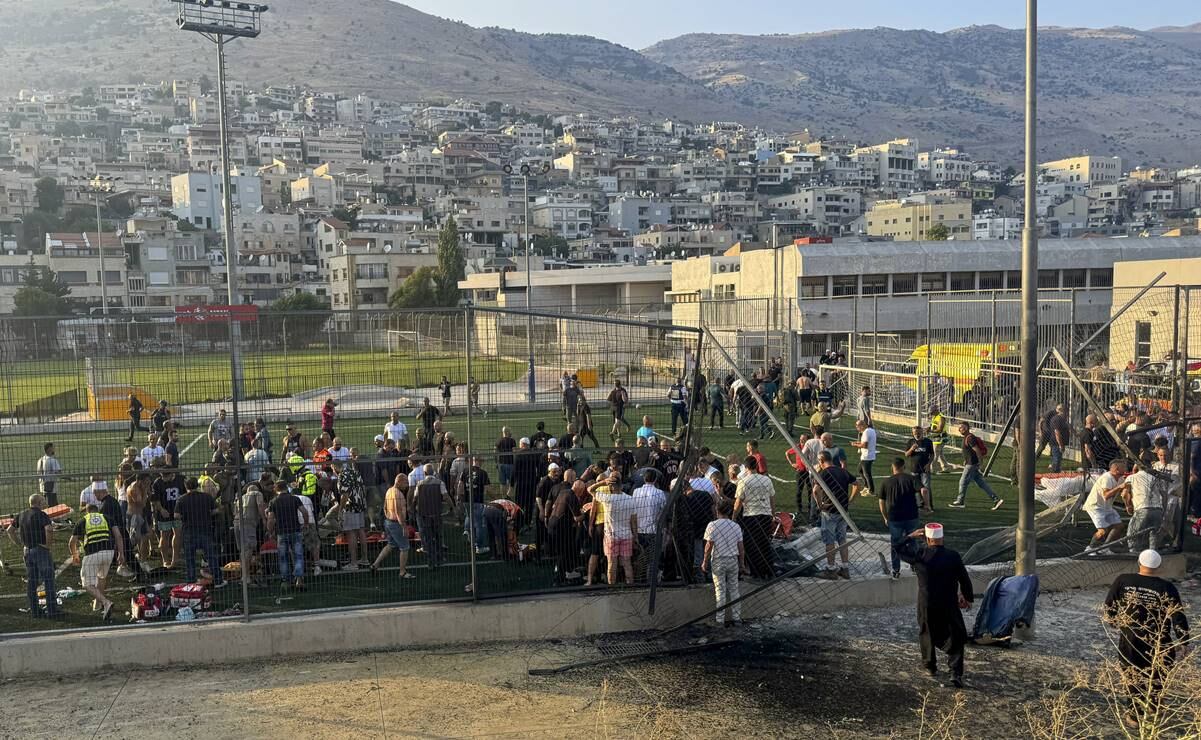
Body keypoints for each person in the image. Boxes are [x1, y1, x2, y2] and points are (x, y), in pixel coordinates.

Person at [1104, 550, 1191, 728]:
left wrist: (1114, 622)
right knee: (1158, 672)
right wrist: (1183, 641)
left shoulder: (1123, 580)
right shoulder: (1167, 587)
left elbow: (1109, 605)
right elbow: (1178, 616)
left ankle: (1135, 715)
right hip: (1159, 639)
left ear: (1139, 562)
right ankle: (1153, 704)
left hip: (1131, 639)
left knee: (1133, 675)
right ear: (1159, 566)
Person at [896, 523, 975, 688]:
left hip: (927, 602)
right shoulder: (953, 556)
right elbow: (964, 578)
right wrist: (967, 597)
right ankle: (955, 672)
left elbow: (898, 548)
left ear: (927, 538)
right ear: (942, 538)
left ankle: (930, 665)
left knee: (927, 632)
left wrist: (910, 536)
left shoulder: (920, 555)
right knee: (956, 634)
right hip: (948, 602)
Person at [6, 494, 60, 619]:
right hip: (40, 549)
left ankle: (35, 610)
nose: (45, 503)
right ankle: (52, 610)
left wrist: (19, 543)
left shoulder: (22, 514)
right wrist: (48, 545)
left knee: (32, 581)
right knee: (48, 580)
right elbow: (49, 529)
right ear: (39, 502)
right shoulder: (41, 514)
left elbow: (10, 530)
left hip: (27, 550)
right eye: (43, 501)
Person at [69, 503, 125, 621]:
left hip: (92, 553)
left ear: (87, 512)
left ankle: (106, 602)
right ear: (98, 511)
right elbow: (119, 536)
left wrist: (75, 556)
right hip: (108, 552)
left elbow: (72, 542)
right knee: (101, 577)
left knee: (86, 584)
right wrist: (121, 554)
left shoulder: (83, 521)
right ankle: (98, 604)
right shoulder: (107, 518)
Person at [880, 457, 931, 579]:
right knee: (913, 541)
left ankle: (896, 570)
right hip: (911, 516)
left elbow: (881, 502)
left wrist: (885, 517)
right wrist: (927, 505)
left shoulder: (886, 482)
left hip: (894, 518)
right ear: (903, 467)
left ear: (893, 467)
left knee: (896, 543)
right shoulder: (911, 479)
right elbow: (924, 490)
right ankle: (914, 565)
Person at [702, 497, 746, 627]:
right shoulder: (736, 526)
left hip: (718, 560)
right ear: (729, 511)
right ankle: (737, 618)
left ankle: (720, 620)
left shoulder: (712, 525)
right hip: (733, 559)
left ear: (717, 510)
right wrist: (742, 563)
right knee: (734, 589)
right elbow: (741, 548)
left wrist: (705, 561)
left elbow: (709, 546)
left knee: (720, 590)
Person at [589, 471, 638, 586]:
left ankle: (612, 587)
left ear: (610, 486)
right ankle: (630, 586)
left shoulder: (607, 499)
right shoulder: (630, 499)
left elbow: (590, 489)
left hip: (611, 536)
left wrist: (603, 482)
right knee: (627, 563)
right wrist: (635, 536)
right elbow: (633, 521)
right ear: (621, 486)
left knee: (612, 563)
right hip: (627, 535)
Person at [176, 477, 225, 587]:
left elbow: (176, 515)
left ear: (186, 486)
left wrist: (186, 516)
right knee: (211, 556)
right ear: (197, 486)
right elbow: (215, 510)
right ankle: (218, 580)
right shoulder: (206, 497)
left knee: (190, 558)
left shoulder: (182, 499)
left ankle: (191, 581)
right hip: (205, 530)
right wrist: (208, 514)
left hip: (189, 531)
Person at [815, 450, 855, 580]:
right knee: (842, 539)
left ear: (821, 461)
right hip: (843, 511)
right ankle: (845, 568)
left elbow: (816, 490)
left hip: (830, 512)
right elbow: (857, 484)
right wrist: (850, 500)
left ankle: (831, 569)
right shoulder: (843, 471)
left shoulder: (824, 473)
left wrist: (820, 505)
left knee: (829, 541)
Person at [734, 456, 774, 580]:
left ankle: (756, 572)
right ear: (756, 466)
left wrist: (734, 516)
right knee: (765, 543)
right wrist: (772, 514)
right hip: (765, 515)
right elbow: (772, 499)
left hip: (751, 516)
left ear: (746, 468)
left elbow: (738, 501)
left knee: (752, 545)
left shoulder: (744, 481)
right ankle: (768, 570)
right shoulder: (766, 480)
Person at [948, 422, 1003, 511]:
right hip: (971, 463)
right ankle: (996, 500)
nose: (959, 429)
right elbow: (970, 451)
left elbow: (977, 451)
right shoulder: (967, 437)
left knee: (963, 482)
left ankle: (960, 501)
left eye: (961, 427)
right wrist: (966, 460)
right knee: (981, 483)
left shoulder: (969, 438)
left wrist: (980, 463)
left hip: (972, 465)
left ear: (966, 428)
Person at [267, 481, 309, 591]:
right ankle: (299, 579)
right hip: (295, 530)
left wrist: (270, 531)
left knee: (283, 557)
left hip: (281, 532)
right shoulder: (294, 499)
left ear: (276, 489)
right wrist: (306, 524)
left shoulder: (274, 501)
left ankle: (285, 581)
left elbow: (270, 519)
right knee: (298, 555)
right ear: (286, 487)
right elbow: (304, 512)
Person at [371, 474, 415, 579]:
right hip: (396, 523)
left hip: (388, 522)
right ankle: (402, 572)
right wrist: (403, 527)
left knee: (391, 544)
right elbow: (398, 511)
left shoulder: (389, 490)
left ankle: (375, 565)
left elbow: (385, 507)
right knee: (405, 547)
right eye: (406, 483)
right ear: (399, 482)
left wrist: (388, 519)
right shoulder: (397, 493)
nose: (407, 485)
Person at [1085, 460, 1129, 552]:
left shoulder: (1121, 479)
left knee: (1119, 526)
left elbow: (1124, 492)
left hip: (1107, 507)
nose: (1125, 469)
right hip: (1095, 506)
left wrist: (1128, 504)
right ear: (1116, 469)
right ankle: (1090, 549)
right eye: (1123, 467)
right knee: (1102, 531)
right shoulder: (1107, 478)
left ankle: (1105, 548)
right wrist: (1119, 487)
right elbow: (1106, 495)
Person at [413, 465, 451, 568]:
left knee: (428, 538)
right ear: (433, 472)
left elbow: (415, 498)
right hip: (436, 513)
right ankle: (440, 559)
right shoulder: (440, 483)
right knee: (438, 536)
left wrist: (412, 507)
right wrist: (452, 507)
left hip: (424, 515)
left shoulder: (420, 484)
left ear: (424, 473)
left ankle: (431, 561)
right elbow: (446, 496)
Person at [1124, 462, 1164, 553]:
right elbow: (1164, 495)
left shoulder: (1131, 477)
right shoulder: (1156, 478)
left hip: (1142, 508)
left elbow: (1125, 494)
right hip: (1158, 509)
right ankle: (1153, 554)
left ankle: (1133, 553)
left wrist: (1128, 505)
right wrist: (1163, 509)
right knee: (1154, 534)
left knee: (1132, 534)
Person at [151, 466, 185, 569]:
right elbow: (155, 499)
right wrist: (161, 509)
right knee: (164, 535)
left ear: (172, 474)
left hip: (177, 513)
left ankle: (175, 559)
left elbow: (185, 494)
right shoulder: (157, 483)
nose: (163, 478)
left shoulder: (181, 480)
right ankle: (165, 560)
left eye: (166, 476)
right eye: (162, 476)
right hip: (164, 513)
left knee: (178, 534)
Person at [851, 419, 878, 499]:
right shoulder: (871, 430)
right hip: (869, 455)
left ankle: (871, 491)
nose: (856, 428)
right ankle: (866, 486)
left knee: (867, 474)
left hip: (867, 456)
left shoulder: (866, 432)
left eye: (857, 426)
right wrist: (857, 443)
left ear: (862, 425)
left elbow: (865, 445)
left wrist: (855, 445)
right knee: (860, 470)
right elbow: (866, 443)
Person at [905, 426, 935, 498]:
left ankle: (928, 504)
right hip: (914, 469)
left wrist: (929, 464)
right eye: (915, 433)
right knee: (916, 488)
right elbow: (906, 454)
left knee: (926, 488)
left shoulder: (928, 442)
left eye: (919, 433)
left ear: (922, 433)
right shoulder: (910, 442)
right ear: (912, 433)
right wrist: (911, 449)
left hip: (925, 469)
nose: (917, 435)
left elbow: (932, 454)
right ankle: (919, 503)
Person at [36, 442, 62, 508]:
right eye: (53, 448)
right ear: (49, 449)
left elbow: (38, 473)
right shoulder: (52, 460)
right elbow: (59, 473)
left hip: (42, 487)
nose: (54, 449)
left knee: (45, 505)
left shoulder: (40, 460)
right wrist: (68, 478)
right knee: (52, 507)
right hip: (51, 487)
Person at [1048, 403, 1071, 473]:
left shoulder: (1062, 419)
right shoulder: (1057, 419)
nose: (1067, 412)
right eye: (1066, 410)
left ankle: (1055, 472)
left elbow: (1068, 426)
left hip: (1058, 443)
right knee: (1056, 461)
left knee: (1057, 460)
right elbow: (1057, 433)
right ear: (1062, 410)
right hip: (1056, 443)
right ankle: (1055, 474)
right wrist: (1060, 445)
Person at [929, 407, 951, 473]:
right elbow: (933, 426)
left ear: (936, 410)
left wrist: (930, 431)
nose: (931, 414)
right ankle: (946, 467)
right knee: (940, 453)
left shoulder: (941, 418)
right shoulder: (934, 417)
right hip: (936, 437)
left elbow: (940, 429)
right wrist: (928, 429)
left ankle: (931, 469)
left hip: (941, 438)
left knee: (935, 454)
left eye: (932, 412)